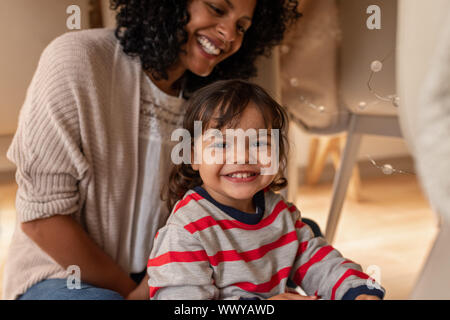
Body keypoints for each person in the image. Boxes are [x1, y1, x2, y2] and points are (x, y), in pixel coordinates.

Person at [2, 0, 305, 300]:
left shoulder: (217, 98)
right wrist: (137, 295)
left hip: (179, 267)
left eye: (242, 26)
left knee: (295, 229)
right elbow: (42, 218)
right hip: (64, 275)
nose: (229, 34)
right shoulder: (77, 58)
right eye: (216, 8)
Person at [147, 80, 385, 300]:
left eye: (260, 143)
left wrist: (355, 290)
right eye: (221, 144)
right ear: (193, 157)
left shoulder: (280, 212)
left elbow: (317, 261)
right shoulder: (185, 232)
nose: (241, 156)